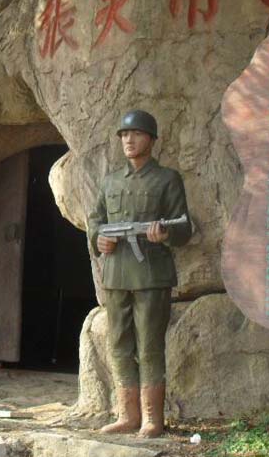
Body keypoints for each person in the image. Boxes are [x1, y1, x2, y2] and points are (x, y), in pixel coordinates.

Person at [87, 110, 192, 438]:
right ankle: (127, 415)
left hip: (151, 275)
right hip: (116, 274)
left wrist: (166, 235)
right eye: (123, 135)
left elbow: (185, 226)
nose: (128, 140)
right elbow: (95, 218)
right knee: (118, 343)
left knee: (149, 345)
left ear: (151, 139)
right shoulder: (111, 181)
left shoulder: (167, 179)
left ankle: (151, 418)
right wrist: (97, 238)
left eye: (135, 134)